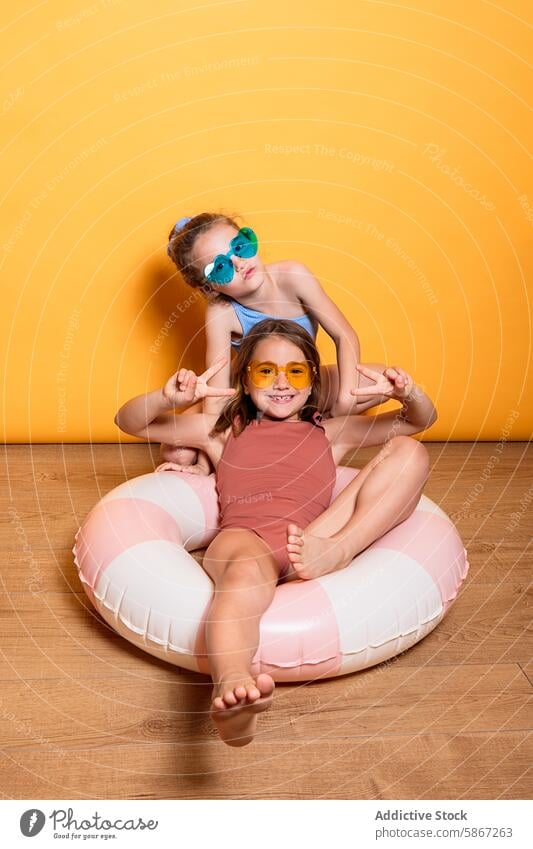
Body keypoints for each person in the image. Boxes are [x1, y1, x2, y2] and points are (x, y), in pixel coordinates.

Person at [115, 319, 436, 747]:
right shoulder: (222, 431)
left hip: (316, 537)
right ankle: (233, 688)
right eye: (266, 371)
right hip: (246, 536)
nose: (281, 382)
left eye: (296, 371)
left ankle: (341, 550)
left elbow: (419, 421)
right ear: (246, 380)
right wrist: (167, 398)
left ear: (312, 382)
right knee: (245, 573)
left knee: (409, 453)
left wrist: (406, 392)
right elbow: (129, 422)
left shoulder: (332, 431)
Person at [158, 212, 388, 471]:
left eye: (241, 247)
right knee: (176, 452)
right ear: (209, 288)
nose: (239, 263)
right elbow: (219, 394)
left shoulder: (293, 275)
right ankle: (274, 429)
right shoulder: (221, 313)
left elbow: (344, 335)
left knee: (382, 381)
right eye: (221, 267)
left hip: (303, 386)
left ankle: (308, 425)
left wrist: (347, 397)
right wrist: (207, 466)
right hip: (249, 398)